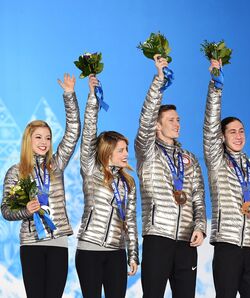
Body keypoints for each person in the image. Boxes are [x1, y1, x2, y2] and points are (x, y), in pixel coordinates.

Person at [1, 73, 81, 298]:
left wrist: (69, 95)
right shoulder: (16, 172)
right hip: (31, 243)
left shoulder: (56, 165)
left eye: (47, 137)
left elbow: (73, 132)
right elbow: (6, 210)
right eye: (38, 137)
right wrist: (27, 210)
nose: (44, 142)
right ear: (29, 140)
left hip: (58, 242)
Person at [203, 59, 250, 298]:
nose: (238, 135)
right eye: (232, 131)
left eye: (241, 131)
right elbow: (209, 126)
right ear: (222, 137)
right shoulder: (217, 162)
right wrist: (216, 84)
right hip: (227, 245)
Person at [136, 55, 207, 298]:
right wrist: (159, 80)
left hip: (187, 241)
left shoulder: (189, 158)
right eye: (171, 120)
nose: (177, 124)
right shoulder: (147, 151)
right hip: (158, 237)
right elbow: (145, 118)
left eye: (178, 119)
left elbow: (198, 195)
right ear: (157, 125)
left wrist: (200, 226)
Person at [75, 75, 139, 297]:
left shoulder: (128, 183)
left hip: (116, 252)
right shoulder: (91, 170)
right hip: (89, 250)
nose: (126, 154)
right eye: (121, 150)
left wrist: (133, 254)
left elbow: (130, 221)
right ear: (107, 152)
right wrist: (93, 98)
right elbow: (89, 133)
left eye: (127, 149)